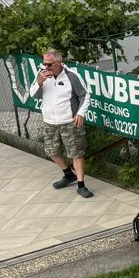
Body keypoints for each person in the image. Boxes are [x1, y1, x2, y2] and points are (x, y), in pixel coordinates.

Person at [27, 49, 94, 199]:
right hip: (50, 121)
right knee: (52, 151)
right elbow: (33, 94)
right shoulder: (42, 75)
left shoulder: (72, 76)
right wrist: (40, 81)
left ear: (58, 63)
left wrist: (81, 113)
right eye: (43, 63)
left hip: (69, 121)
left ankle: (81, 185)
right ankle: (68, 174)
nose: (45, 67)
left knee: (76, 153)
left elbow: (84, 95)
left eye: (49, 64)